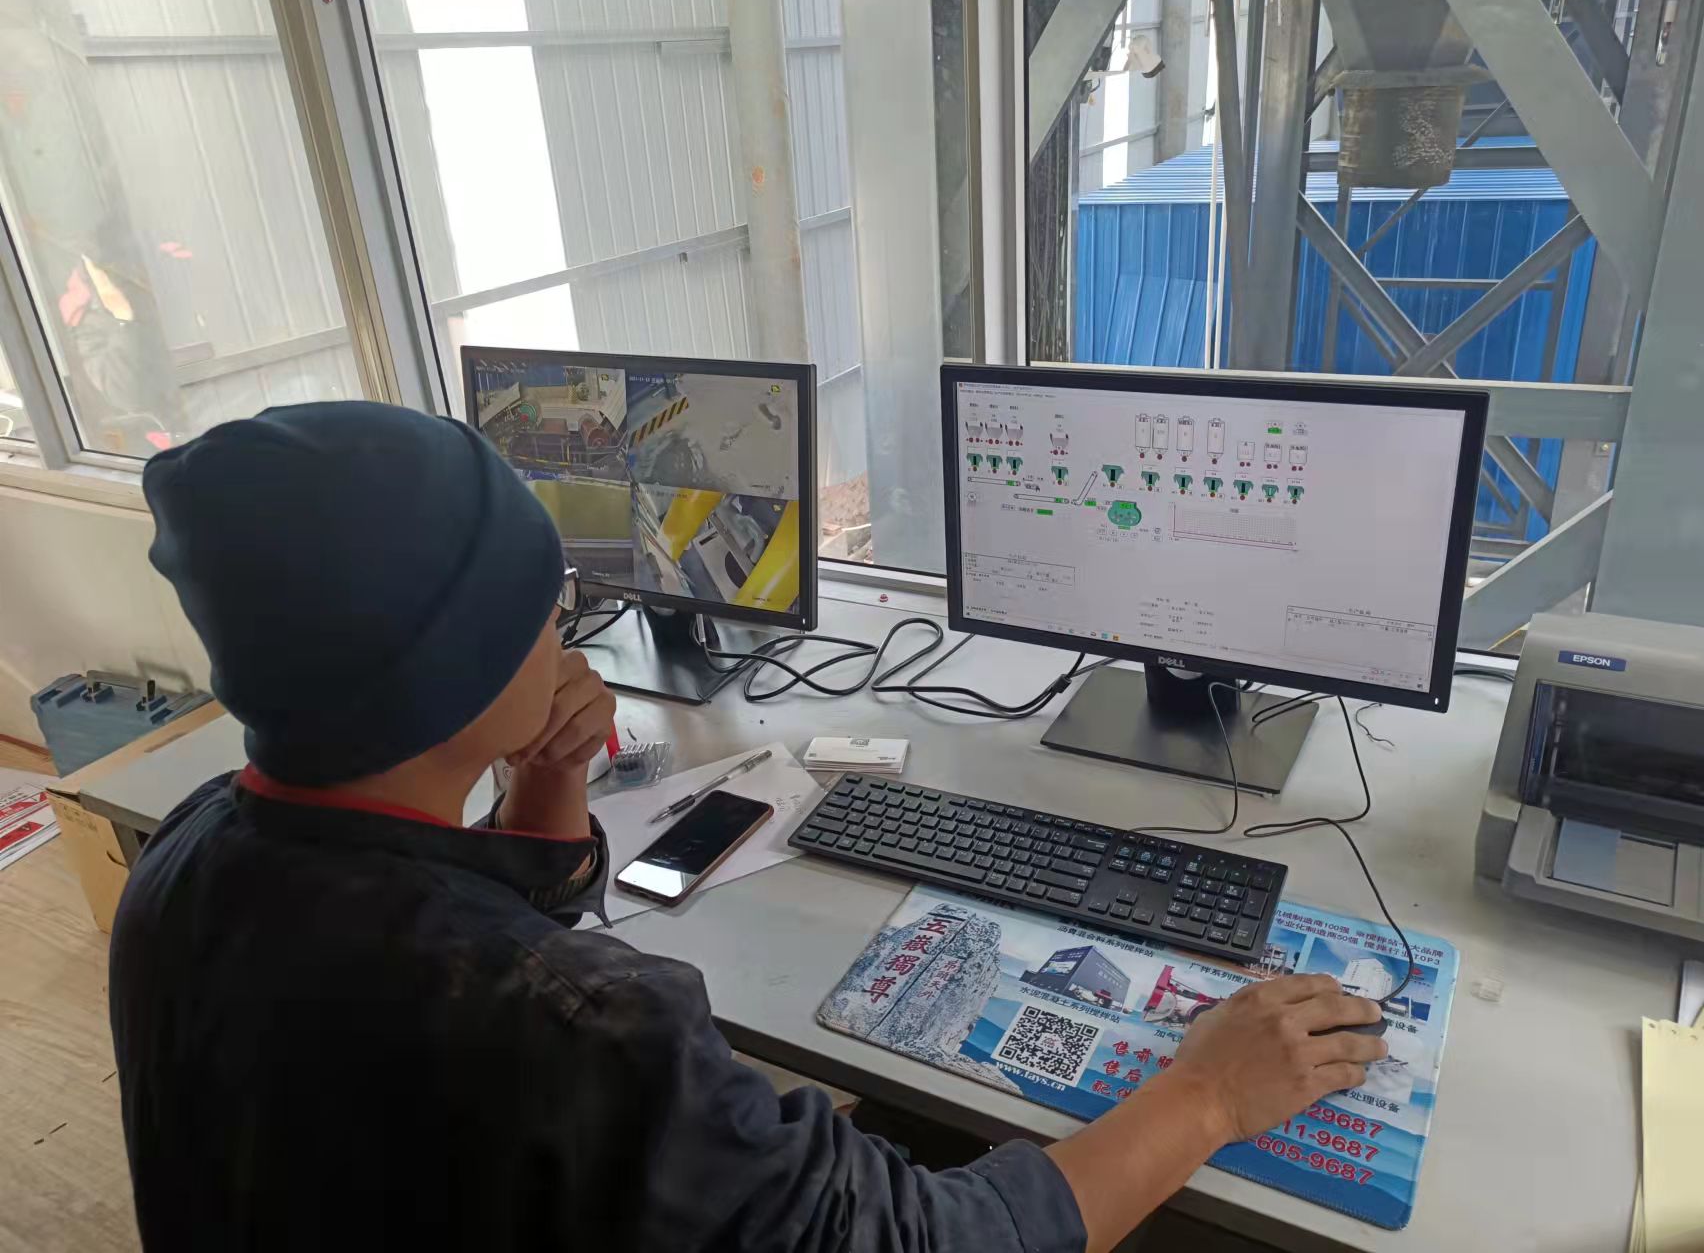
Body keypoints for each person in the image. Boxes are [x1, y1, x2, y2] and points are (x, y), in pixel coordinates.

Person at [110, 401, 1388, 1253]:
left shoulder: (185, 860)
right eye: (542, 608)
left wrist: (546, 782)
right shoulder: (582, 1030)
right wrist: (1209, 1091)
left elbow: (452, 935)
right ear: (446, 678)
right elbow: (929, 1242)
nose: (565, 627)